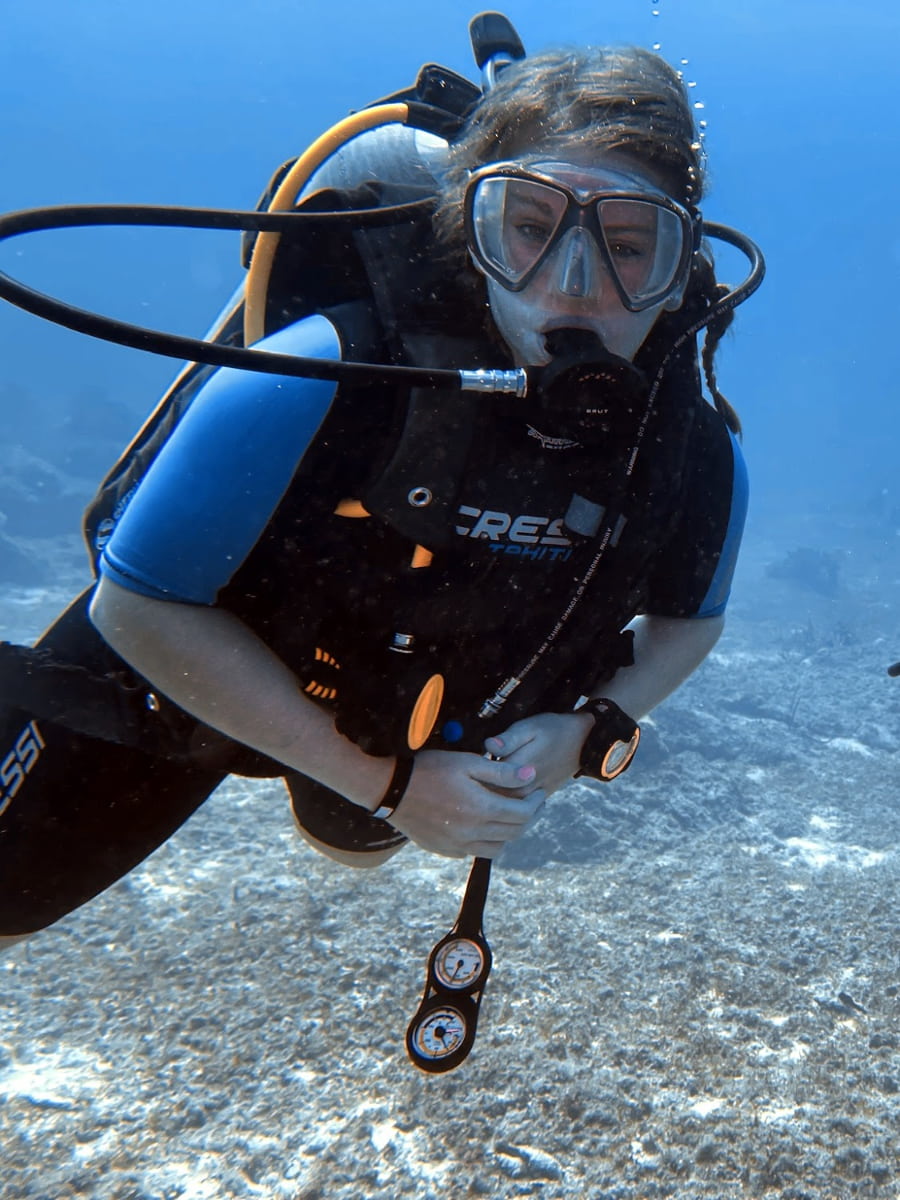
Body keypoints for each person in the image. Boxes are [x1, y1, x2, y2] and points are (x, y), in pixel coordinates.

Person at [0, 39, 755, 942]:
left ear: (680, 269)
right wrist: (390, 787)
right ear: (470, 232)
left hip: (393, 714)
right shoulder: (320, 369)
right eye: (528, 229)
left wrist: (589, 727)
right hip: (194, 672)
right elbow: (137, 604)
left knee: (354, 846)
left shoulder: (692, 449)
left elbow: (691, 621)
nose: (574, 286)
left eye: (628, 246)